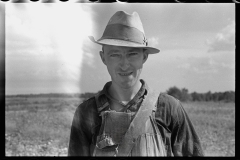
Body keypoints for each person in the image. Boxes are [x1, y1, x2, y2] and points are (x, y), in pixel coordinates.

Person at [68, 11, 204, 157]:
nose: (124, 65)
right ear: (103, 58)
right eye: (115, 54)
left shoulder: (170, 109)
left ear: (144, 57)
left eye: (132, 54)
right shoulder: (86, 112)